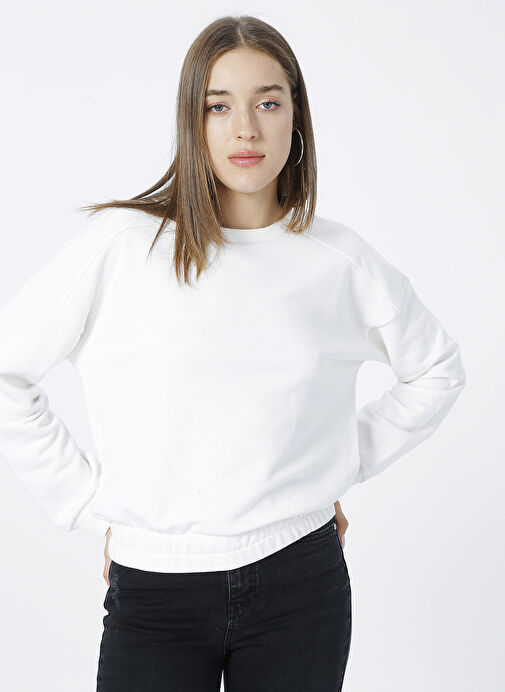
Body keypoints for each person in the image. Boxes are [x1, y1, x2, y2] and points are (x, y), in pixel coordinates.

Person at [0, 14, 466, 692]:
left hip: (298, 583)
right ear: (192, 122)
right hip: (155, 593)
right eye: (218, 106)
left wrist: (336, 463)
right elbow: (8, 371)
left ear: (296, 118)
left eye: (267, 103)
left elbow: (436, 370)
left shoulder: (338, 261)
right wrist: (85, 499)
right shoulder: (122, 246)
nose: (245, 129)